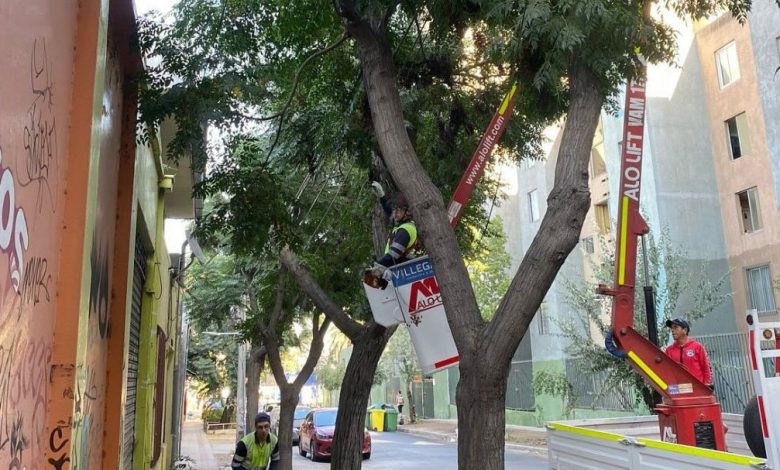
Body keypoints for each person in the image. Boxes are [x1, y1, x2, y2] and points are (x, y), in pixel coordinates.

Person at [368, 182, 418, 285]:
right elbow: (388, 212)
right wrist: (382, 196)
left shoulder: (406, 230)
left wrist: (377, 267)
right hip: (398, 272)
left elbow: (393, 255)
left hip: (402, 275)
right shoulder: (401, 225)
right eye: (394, 209)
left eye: (398, 210)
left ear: (407, 212)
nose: (395, 213)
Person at [663, 318, 714, 389]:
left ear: (685, 330)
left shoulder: (697, 347)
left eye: (676, 327)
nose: (672, 330)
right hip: (678, 391)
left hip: (697, 390)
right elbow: (667, 371)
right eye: (672, 328)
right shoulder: (669, 350)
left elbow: (706, 368)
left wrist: (706, 386)